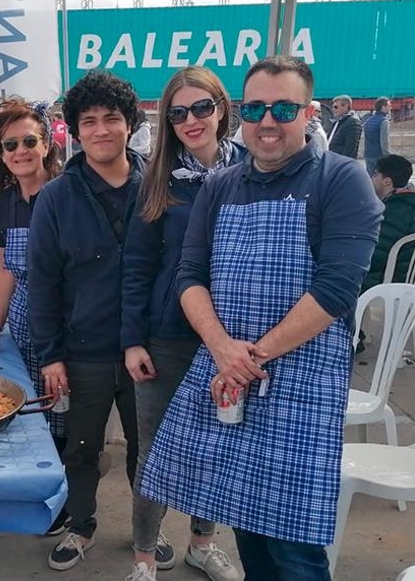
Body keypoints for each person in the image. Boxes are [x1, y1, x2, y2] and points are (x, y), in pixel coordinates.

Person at [139, 56, 382, 581]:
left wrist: (251, 355)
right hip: (229, 373)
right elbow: (189, 274)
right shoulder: (220, 186)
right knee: (246, 520)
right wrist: (223, 348)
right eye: (255, 108)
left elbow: (335, 289)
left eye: (283, 108)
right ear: (240, 113)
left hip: (302, 382)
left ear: (309, 112)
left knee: (293, 545)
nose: (267, 121)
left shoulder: (342, 180)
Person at [120, 66, 246, 581]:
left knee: (216, 444)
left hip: (230, 336)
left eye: (201, 108)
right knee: (156, 450)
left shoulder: (252, 176)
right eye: (178, 113)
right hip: (168, 334)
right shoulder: (158, 182)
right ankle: (145, 557)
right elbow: (137, 266)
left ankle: (202, 543)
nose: (191, 120)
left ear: (221, 108)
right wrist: (132, 341)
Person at [27, 71, 144, 572]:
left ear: (130, 125)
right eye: (89, 121)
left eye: (111, 119)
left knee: (150, 451)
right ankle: (81, 525)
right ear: (75, 131)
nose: (101, 130)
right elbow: (42, 282)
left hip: (148, 350)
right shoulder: (57, 197)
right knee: (81, 447)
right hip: (83, 350)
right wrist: (51, 354)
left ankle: (147, 531)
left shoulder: (157, 185)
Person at [0, 96, 67, 528]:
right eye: (10, 145)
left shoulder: (64, 194)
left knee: (61, 413)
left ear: (45, 145)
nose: (20, 151)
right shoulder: (3, 202)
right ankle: (32, 494)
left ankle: (64, 505)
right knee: (27, 407)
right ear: (0, 155)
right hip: (22, 317)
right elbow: (4, 267)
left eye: (28, 141)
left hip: (62, 317)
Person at [362, 154, 415, 291]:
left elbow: (375, 257)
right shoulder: (414, 207)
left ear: (387, 181)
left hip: (380, 283)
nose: (372, 178)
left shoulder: (393, 213)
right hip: (401, 279)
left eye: (375, 174)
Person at [363, 96, 391, 176]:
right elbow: (384, 142)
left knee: (370, 178)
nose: (390, 108)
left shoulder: (368, 121)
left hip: (368, 154)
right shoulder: (383, 122)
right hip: (379, 155)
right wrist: (387, 156)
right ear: (383, 107)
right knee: (382, 179)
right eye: (389, 106)